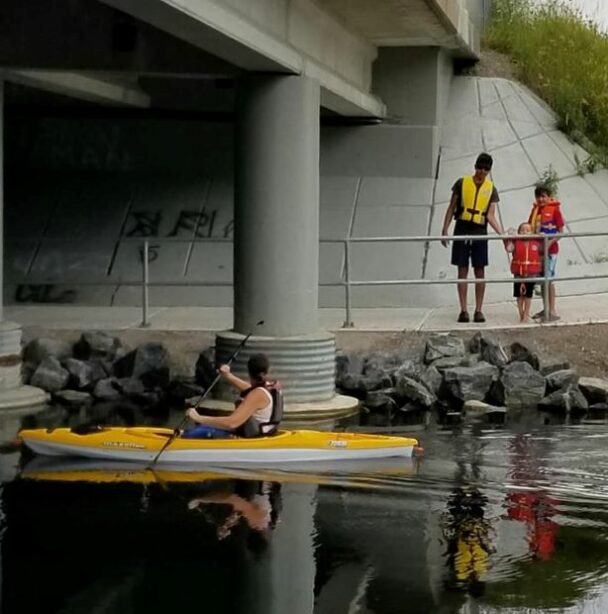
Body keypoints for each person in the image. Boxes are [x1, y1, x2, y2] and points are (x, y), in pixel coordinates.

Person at [441, 153, 504, 323]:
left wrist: (503, 234)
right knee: (462, 269)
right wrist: (444, 229)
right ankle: (463, 310)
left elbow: (490, 216)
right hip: (462, 228)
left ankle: (478, 310)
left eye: (485, 169)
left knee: (480, 270)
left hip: (479, 231)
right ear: (475, 166)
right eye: (479, 167)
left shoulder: (491, 189)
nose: (481, 171)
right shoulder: (461, 183)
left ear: (489, 170)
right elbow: (451, 207)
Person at [182, 353, 283, 439]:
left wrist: (198, 417)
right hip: (262, 432)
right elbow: (249, 389)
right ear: (267, 370)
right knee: (202, 427)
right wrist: (227, 375)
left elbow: (232, 423)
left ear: (249, 371)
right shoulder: (268, 387)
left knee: (196, 431)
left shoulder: (257, 394)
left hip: (253, 437)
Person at [528, 184, 564, 322]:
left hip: (551, 251)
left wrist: (549, 243)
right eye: (538, 196)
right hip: (538, 252)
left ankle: (552, 310)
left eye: (543, 196)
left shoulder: (555, 211)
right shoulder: (535, 211)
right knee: (542, 280)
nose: (541, 199)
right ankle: (546, 308)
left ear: (549, 197)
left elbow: (561, 232)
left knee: (549, 280)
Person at [506, 222, 542, 323]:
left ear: (532, 232)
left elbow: (544, 248)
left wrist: (541, 235)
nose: (525, 232)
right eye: (522, 230)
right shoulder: (516, 243)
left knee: (528, 295)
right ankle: (521, 313)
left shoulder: (536, 243)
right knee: (519, 295)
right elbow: (509, 249)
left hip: (531, 274)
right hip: (518, 273)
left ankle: (526, 313)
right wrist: (509, 238)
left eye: (527, 230)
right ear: (518, 232)